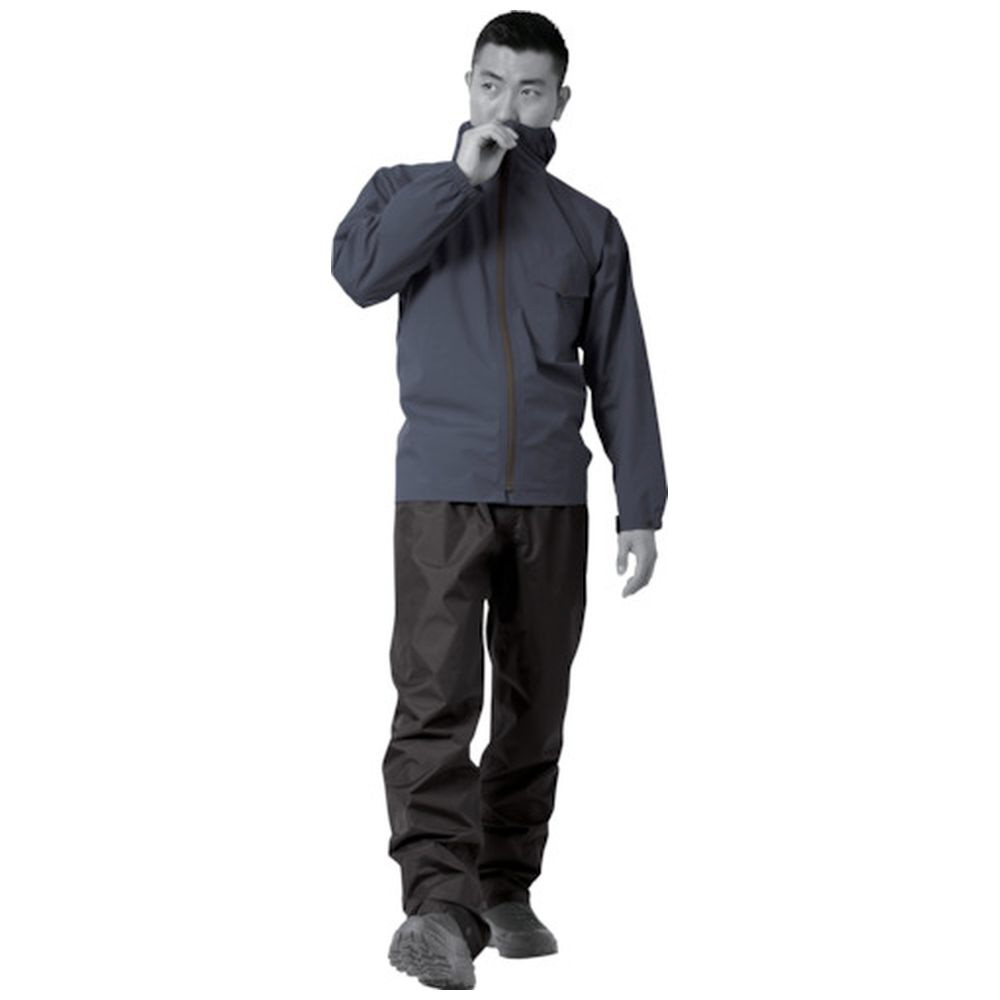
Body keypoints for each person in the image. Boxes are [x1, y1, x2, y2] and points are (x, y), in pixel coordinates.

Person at [331, 11, 667, 990]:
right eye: (491, 84)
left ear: (560, 101)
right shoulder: (406, 191)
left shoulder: (589, 226)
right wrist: (459, 182)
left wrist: (640, 506)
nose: (507, 106)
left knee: (535, 702)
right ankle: (438, 907)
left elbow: (621, 372)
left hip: (553, 500)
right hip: (442, 491)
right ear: (467, 85)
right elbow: (359, 275)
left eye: (528, 89)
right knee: (433, 698)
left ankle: (502, 883)